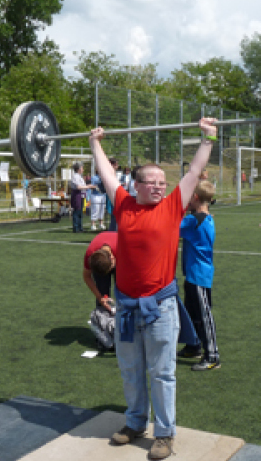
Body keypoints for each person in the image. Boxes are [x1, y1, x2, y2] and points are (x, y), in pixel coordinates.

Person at [88, 117, 216, 460]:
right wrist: (95, 143)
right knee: (130, 370)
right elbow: (107, 175)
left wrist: (207, 138)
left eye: (162, 182)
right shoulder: (124, 206)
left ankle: (164, 434)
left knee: (162, 373)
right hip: (128, 307)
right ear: (138, 184)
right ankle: (134, 423)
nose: (160, 187)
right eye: (153, 182)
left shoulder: (173, 207)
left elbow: (192, 173)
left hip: (160, 307)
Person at [177, 180, 219, 371]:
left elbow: (173, 226)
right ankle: (194, 346)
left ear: (194, 198)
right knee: (192, 314)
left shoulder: (194, 220)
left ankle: (212, 356)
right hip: (193, 275)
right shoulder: (202, 217)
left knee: (204, 316)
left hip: (199, 276)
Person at [69, 162, 96, 233]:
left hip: (81, 194)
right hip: (77, 194)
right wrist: (88, 186)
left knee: (80, 212)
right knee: (77, 211)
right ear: (78, 169)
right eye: (82, 168)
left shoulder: (79, 176)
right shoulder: (75, 176)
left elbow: (82, 186)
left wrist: (89, 186)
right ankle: (76, 228)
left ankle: (80, 227)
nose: (83, 169)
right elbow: (78, 187)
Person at [107, 158, 119, 231]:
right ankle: (112, 230)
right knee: (114, 213)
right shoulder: (110, 172)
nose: (117, 166)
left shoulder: (113, 172)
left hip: (115, 194)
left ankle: (113, 229)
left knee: (115, 214)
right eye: (116, 164)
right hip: (112, 194)